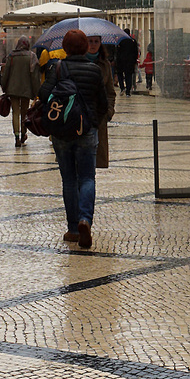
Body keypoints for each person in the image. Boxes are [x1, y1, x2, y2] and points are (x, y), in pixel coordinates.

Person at [39, 30, 107, 250]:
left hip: (61, 131)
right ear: (86, 47)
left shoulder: (57, 68)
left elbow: (43, 94)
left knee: (69, 179)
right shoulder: (94, 70)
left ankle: (73, 229)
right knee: (87, 178)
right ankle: (85, 219)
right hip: (86, 130)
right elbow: (103, 103)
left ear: (65, 48)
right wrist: (94, 122)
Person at [2, 37, 40, 147]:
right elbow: (34, 76)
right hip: (26, 89)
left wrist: (4, 87)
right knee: (24, 112)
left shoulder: (11, 56)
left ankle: (17, 136)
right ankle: (24, 133)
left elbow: (6, 73)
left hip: (12, 89)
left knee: (15, 112)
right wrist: (36, 91)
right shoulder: (32, 56)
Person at [85, 35, 116, 169]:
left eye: (96, 41)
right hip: (80, 115)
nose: (93, 44)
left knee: (95, 160)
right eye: (90, 41)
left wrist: (109, 111)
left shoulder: (105, 64)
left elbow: (110, 92)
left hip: (99, 116)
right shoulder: (78, 61)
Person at [115, 30, 139, 95]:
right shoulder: (133, 41)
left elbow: (117, 52)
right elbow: (135, 52)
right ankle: (128, 91)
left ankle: (122, 88)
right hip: (130, 62)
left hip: (121, 62)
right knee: (128, 76)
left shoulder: (119, 41)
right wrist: (134, 61)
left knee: (120, 75)